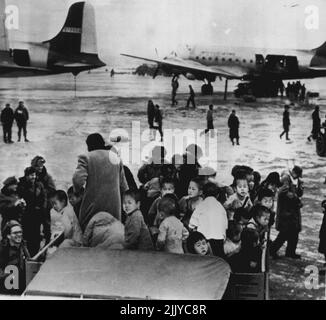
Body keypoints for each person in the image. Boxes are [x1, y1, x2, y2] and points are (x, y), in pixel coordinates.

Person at [73, 133, 128, 231]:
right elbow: (124, 186)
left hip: (93, 209)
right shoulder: (115, 158)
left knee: (89, 233)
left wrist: (77, 191)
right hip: (114, 209)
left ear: (89, 145)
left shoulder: (86, 157)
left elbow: (78, 180)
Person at [18, 167, 50, 257]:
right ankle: (27, 257)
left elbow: (44, 198)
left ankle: (35, 255)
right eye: (32, 175)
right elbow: (20, 198)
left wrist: (41, 209)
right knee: (27, 237)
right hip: (26, 217)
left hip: (37, 216)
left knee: (36, 237)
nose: (34, 177)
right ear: (27, 176)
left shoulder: (39, 185)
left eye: (35, 175)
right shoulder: (21, 186)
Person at [189, 182, 228, 257]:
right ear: (217, 195)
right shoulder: (221, 208)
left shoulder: (201, 206)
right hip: (219, 240)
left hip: (204, 241)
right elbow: (225, 226)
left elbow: (191, 225)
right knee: (218, 262)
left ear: (203, 194)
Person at [271, 172, 302, 259]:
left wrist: (300, 187)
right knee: (284, 235)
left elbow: (298, 194)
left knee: (293, 234)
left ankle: (290, 252)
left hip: (291, 215)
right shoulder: (285, 188)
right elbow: (292, 197)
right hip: (287, 216)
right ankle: (273, 250)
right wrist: (297, 200)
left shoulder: (292, 184)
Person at [0, 221, 30, 294]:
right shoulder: (3, 249)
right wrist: (8, 276)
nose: (19, 234)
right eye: (15, 233)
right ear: (8, 236)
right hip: (8, 289)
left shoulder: (23, 246)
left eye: (20, 232)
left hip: (22, 287)